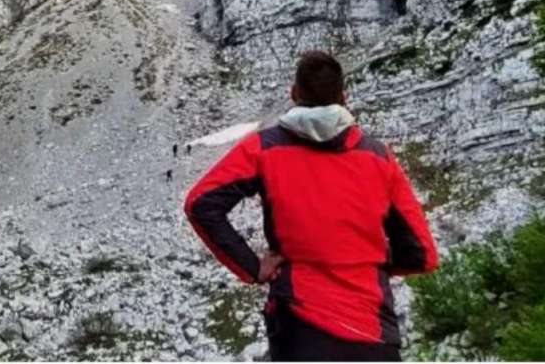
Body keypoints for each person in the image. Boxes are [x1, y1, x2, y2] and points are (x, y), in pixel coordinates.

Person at [184, 51, 438, 361]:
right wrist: (371, 263)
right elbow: (422, 254)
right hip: (372, 331)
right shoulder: (379, 158)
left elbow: (201, 203)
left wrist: (253, 268)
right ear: (344, 97)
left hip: (299, 326)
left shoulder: (264, 148)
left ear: (294, 94)